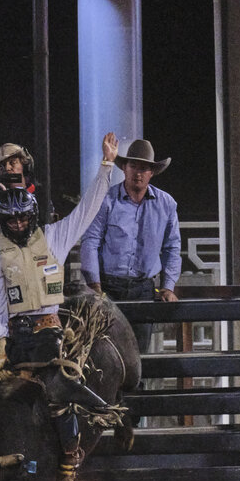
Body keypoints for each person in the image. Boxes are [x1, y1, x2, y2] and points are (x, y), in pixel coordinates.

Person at [0, 131, 118, 481]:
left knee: (57, 391)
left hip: (49, 332)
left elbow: (86, 210)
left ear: (30, 217)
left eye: (20, 221)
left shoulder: (55, 238)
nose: (16, 227)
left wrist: (106, 165)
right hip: (15, 334)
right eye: (9, 222)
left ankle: (68, 460)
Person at [80, 139, 181, 353]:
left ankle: (138, 386)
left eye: (143, 168)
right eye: (133, 166)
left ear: (151, 172)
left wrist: (167, 286)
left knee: (139, 354)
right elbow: (91, 241)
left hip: (143, 288)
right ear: (124, 168)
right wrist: (95, 285)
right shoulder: (106, 201)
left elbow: (172, 247)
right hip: (109, 287)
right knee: (103, 353)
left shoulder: (166, 204)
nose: (138, 173)